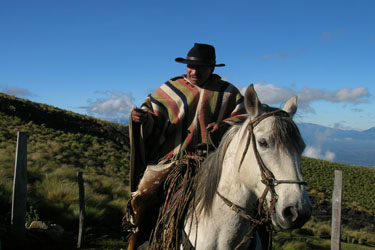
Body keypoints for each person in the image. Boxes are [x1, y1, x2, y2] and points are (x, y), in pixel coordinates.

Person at [124, 43, 247, 250]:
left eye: (200, 67)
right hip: (172, 160)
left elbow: (244, 117)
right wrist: (141, 118)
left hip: (214, 162)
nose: (193, 71)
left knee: (251, 201)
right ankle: (137, 241)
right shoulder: (172, 88)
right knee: (143, 198)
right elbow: (152, 111)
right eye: (190, 66)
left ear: (212, 68)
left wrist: (225, 126)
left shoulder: (229, 93)